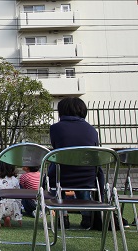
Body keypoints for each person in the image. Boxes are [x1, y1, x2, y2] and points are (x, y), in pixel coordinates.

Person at [49, 97, 98, 229]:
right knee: (84, 190)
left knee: (57, 181)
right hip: (87, 176)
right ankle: (87, 217)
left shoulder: (55, 128)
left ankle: (63, 217)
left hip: (62, 174)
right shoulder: (92, 130)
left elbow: (56, 148)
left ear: (61, 111)